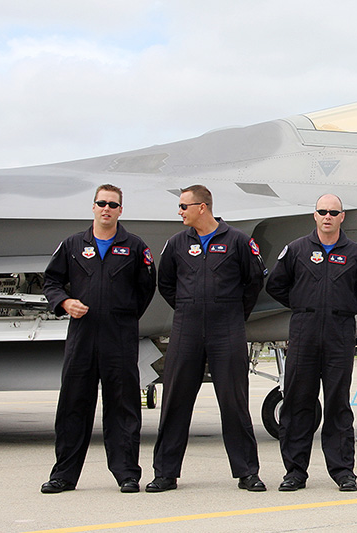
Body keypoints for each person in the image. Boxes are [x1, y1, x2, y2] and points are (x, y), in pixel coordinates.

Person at [147, 185, 267, 493]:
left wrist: (231, 313)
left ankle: (247, 472)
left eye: (184, 206)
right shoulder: (176, 244)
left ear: (203, 207)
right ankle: (165, 473)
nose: (180, 212)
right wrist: (189, 308)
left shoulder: (238, 241)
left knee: (234, 401)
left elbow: (254, 281)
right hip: (186, 328)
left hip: (227, 327)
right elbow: (166, 283)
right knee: (175, 401)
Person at [266, 194, 357, 492]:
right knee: (297, 403)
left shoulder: (356, 253)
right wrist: (301, 302)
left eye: (334, 212)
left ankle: (343, 471)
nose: (328, 216)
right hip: (304, 333)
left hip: (339, 333)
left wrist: (348, 306)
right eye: (323, 211)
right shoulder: (296, 250)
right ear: (315, 216)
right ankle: (295, 472)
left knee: (337, 404)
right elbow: (275, 285)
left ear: (342, 216)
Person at [41, 184, 156, 494]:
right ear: (93, 207)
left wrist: (123, 314)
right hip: (82, 336)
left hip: (119, 338)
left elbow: (146, 288)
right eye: (101, 203)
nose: (107, 208)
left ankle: (127, 474)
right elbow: (51, 282)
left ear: (120, 210)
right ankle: (63, 475)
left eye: (113, 204)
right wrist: (64, 303)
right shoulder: (73, 245)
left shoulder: (134, 247)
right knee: (73, 405)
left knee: (123, 407)